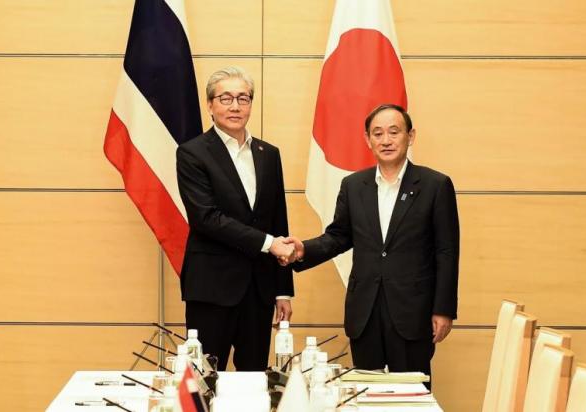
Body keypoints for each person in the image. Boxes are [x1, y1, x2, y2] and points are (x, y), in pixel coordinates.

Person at [286, 104, 459, 384]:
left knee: (412, 395)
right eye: (378, 134)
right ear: (368, 140)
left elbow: (447, 251)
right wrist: (304, 249)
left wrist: (443, 309)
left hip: (413, 312)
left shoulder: (435, 185)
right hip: (365, 311)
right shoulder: (354, 186)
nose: (386, 140)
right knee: (366, 392)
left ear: (410, 136)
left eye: (394, 132)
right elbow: (339, 237)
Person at [176, 67, 295, 371]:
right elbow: (206, 218)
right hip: (212, 287)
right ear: (210, 105)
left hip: (259, 289)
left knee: (254, 378)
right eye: (225, 98)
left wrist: (283, 290)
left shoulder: (268, 154)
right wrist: (269, 244)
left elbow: (277, 221)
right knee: (204, 379)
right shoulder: (192, 153)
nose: (235, 106)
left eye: (243, 98)